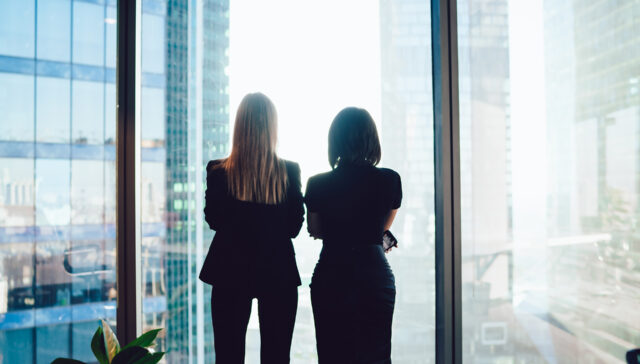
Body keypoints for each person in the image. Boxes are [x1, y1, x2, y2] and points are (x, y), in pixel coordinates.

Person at [199, 92, 304, 364]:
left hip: (229, 272)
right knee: (277, 356)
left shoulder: (218, 171)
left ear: (239, 125)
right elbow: (294, 226)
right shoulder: (289, 172)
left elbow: (214, 219)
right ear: (272, 127)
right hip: (278, 272)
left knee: (228, 356)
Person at [305, 107, 402, 364]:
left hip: (332, 272)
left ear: (334, 140)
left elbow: (315, 229)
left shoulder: (317, 184)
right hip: (374, 275)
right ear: (372, 140)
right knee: (376, 353)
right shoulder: (390, 180)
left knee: (332, 353)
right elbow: (382, 226)